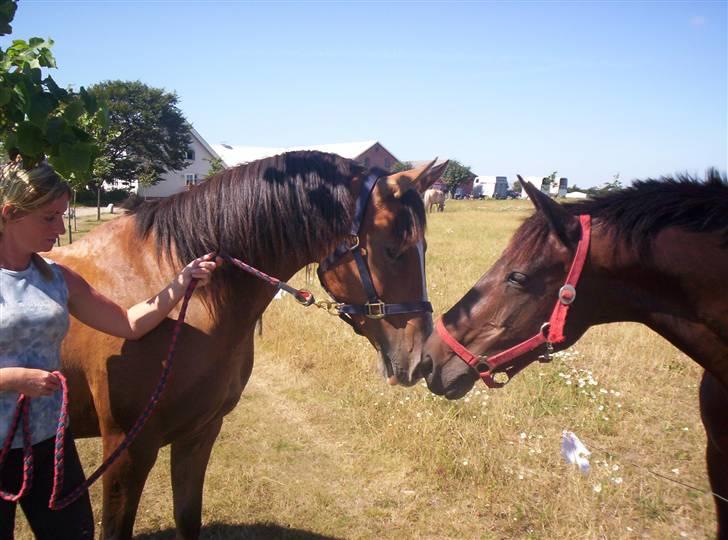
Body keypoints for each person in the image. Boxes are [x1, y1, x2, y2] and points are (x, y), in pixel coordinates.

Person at [0, 161, 220, 539]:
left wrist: (181, 283)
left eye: (62, 216)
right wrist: (10, 378)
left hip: (48, 441)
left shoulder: (56, 276)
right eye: (49, 218)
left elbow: (129, 323)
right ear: (10, 214)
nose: (59, 229)